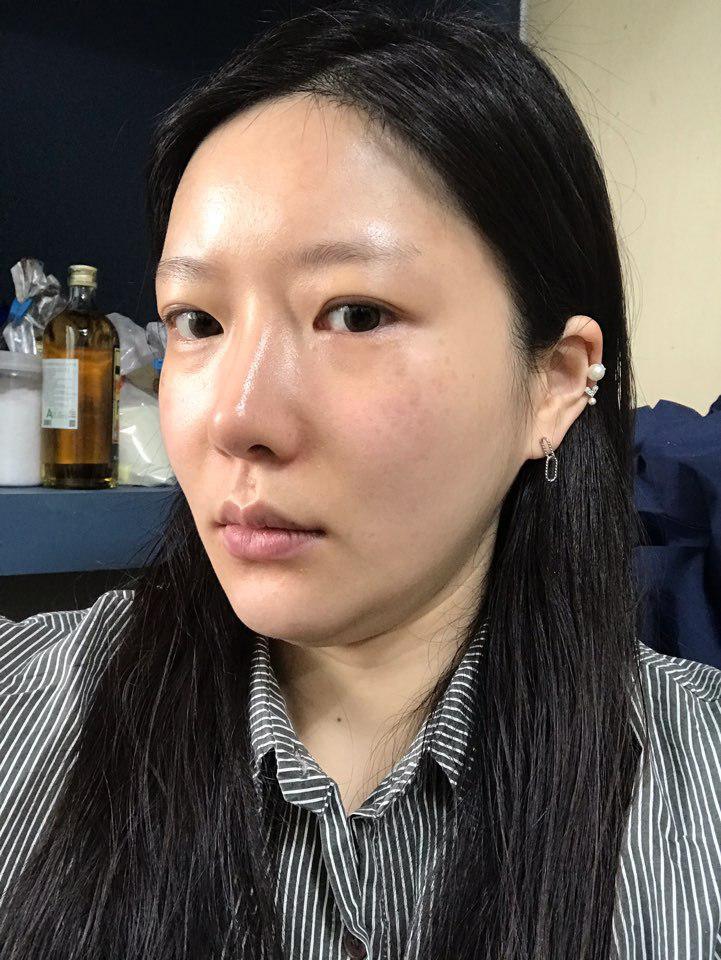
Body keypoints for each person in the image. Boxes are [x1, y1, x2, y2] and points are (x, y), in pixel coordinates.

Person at [1, 3, 720, 958]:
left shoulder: (695, 795)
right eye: (198, 322)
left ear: (552, 383)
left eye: (355, 314)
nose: (237, 419)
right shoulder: (28, 711)